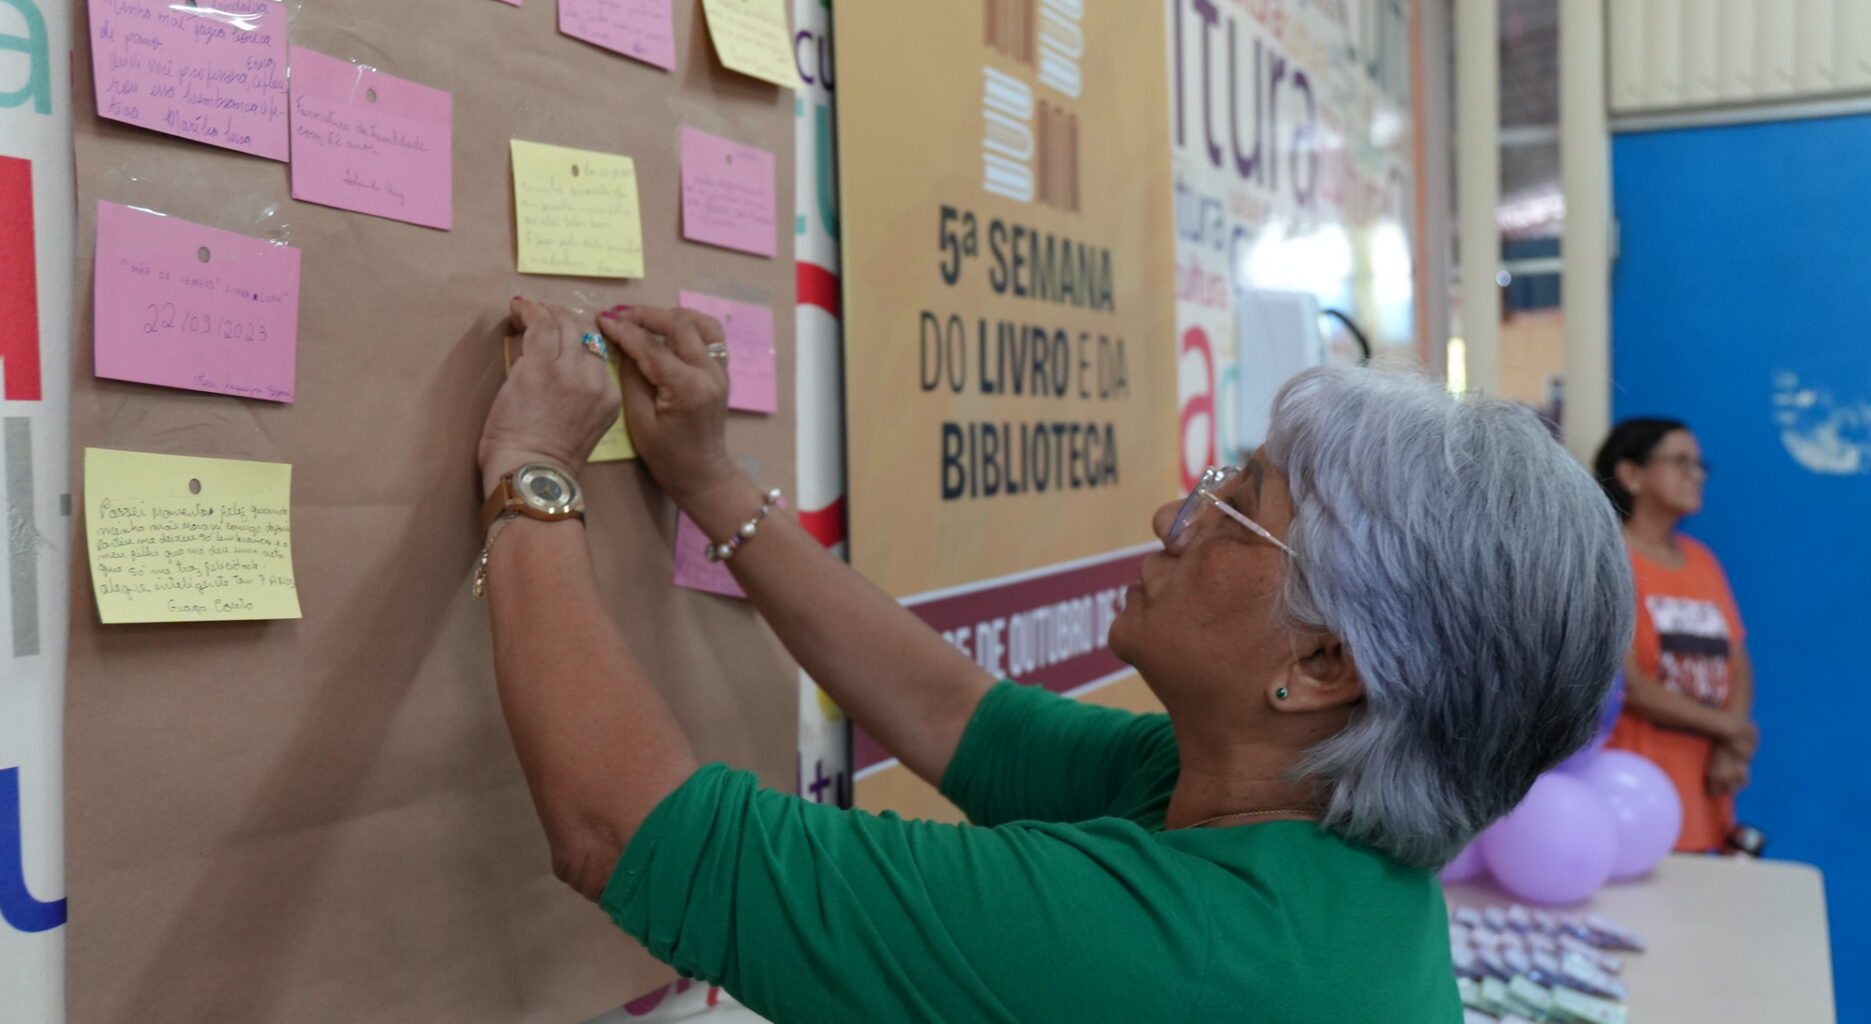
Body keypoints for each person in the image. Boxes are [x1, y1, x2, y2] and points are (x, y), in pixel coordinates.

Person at [472, 299, 1634, 1023]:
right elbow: (951, 710)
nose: (1175, 513)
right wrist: (710, 480)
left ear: (1325, 663)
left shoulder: (1187, 949)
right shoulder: (1278, 811)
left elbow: (626, 831)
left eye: (1236, 507)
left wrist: (532, 466)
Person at [1594, 418, 1757, 854]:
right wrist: (1732, 729)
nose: (1697, 474)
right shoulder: (1609, 559)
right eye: (1681, 462)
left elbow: (1737, 664)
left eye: (1700, 464)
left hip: (1706, 791)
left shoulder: (1703, 561)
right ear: (1632, 475)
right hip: (1633, 792)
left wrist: (1730, 742)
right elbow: (1627, 686)